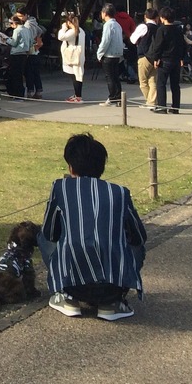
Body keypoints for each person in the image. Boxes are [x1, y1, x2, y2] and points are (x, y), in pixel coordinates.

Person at [42, 132, 147, 320]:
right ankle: (112, 303)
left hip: (73, 284)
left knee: (42, 238)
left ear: (71, 167)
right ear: (102, 167)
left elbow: (49, 233)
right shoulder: (120, 193)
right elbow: (139, 237)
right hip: (113, 286)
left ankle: (67, 297)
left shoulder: (61, 188)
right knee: (136, 247)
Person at [146, 5, 187, 114]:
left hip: (164, 60)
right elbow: (183, 45)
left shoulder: (162, 30)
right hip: (176, 60)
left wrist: (156, 58)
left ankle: (162, 106)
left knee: (161, 84)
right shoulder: (178, 30)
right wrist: (182, 57)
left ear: (163, 17)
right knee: (175, 85)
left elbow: (158, 45)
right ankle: (175, 107)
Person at [129, 8, 160, 107]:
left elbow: (133, 39)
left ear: (145, 17)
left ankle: (150, 101)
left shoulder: (143, 27)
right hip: (156, 58)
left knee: (143, 82)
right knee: (152, 81)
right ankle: (153, 101)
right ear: (157, 18)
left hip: (144, 56)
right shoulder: (159, 29)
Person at [96, 4, 125, 106]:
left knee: (110, 77)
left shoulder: (108, 25)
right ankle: (118, 98)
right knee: (115, 77)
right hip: (117, 55)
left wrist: (99, 53)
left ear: (105, 13)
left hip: (109, 55)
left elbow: (105, 41)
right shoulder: (117, 25)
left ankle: (112, 98)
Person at [57, 12, 86, 102]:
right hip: (79, 56)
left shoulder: (72, 31)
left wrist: (63, 28)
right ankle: (77, 95)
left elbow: (60, 37)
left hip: (72, 56)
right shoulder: (81, 31)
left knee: (75, 76)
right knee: (78, 75)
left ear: (69, 22)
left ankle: (78, 96)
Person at [6, 14, 32, 99]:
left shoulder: (17, 30)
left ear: (15, 23)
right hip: (24, 53)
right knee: (20, 74)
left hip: (16, 53)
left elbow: (14, 43)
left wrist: (6, 39)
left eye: (11, 23)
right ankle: (20, 93)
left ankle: (17, 94)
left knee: (15, 74)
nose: (11, 25)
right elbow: (31, 41)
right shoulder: (27, 29)